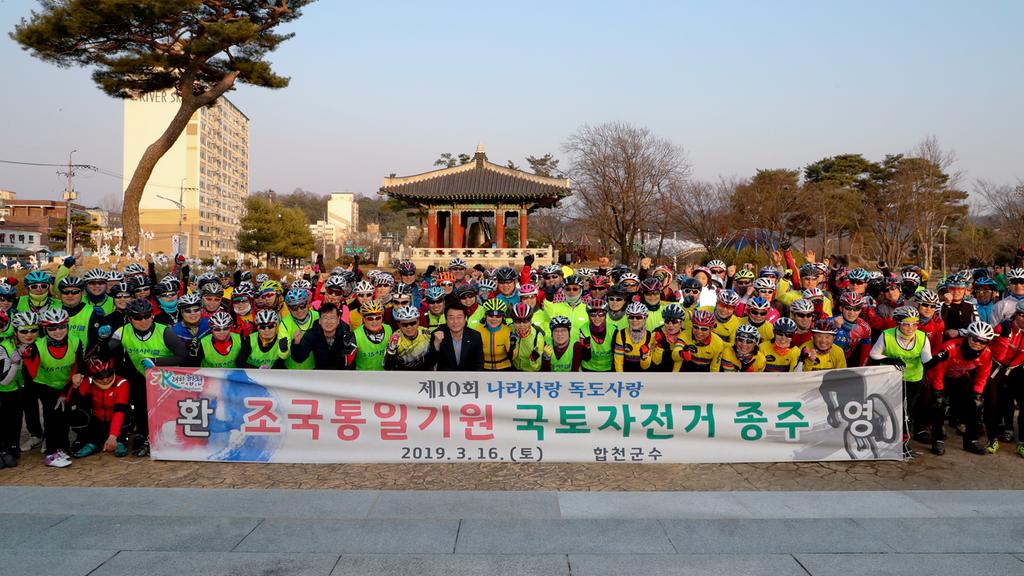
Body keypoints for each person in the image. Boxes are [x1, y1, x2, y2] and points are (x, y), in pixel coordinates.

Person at [107, 298, 188, 457]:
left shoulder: (165, 331)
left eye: (147, 316)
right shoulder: (122, 331)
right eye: (137, 318)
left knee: (166, 412)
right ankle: (144, 436)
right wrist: (103, 340)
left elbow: (182, 355)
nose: (143, 321)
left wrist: (156, 362)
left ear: (152, 316)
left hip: (168, 379)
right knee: (141, 407)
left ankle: (167, 439)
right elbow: (106, 353)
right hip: (144, 377)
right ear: (130, 319)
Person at [22, 307, 85, 468]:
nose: (58, 331)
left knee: (64, 416)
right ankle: (51, 453)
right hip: (44, 385)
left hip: (66, 384)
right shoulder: (37, 347)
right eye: (52, 328)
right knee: (52, 415)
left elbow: (80, 365)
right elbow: (30, 376)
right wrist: (51, 395)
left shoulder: (75, 341)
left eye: (62, 327)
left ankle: (62, 449)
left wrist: (75, 380)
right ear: (45, 329)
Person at [869, 305, 932, 454]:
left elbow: (927, 361)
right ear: (898, 323)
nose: (910, 328)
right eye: (906, 324)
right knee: (888, 409)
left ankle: (902, 443)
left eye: (914, 324)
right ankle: (882, 438)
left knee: (906, 411)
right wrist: (891, 360)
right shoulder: (887, 335)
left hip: (913, 379)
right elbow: (874, 354)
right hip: (892, 379)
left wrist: (940, 358)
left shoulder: (922, 337)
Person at [928, 321, 996, 456]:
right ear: (968, 336)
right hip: (938, 375)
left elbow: (983, 376)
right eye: (975, 339)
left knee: (976, 403)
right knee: (939, 403)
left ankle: (971, 440)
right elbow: (938, 370)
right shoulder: (951, 347)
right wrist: (938, 391)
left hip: (959, 376)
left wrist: (977, 394)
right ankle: (938, 439)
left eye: (983, 342)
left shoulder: (987, 353)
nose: (978, 344)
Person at [69, 356, 130, 458]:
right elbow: (71, 402)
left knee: (125, 412)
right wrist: (75, 387)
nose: (105, 379)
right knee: (77, 413)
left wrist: (113, 436)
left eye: (109, 374)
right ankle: (92, 443)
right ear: (93, 375)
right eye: (100, 376)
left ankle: (120, 441)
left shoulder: (122, 383)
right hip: (97, 422)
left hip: (117, 422)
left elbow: (119, 410)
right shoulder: (88, 381)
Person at [991, 300, 1024, 456]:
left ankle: (1021, 440)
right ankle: (998, 433)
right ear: (1016, 315)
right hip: (998, 366)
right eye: (1022, 315)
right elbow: (998, 354)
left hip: (1017, 367)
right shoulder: (1003, 327)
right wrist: (1004, 338)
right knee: (998, 401)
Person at [291, 303, 357, 370]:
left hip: (340, 374)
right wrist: (296, 343)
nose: (328, 321)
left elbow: (352, 363)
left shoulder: (346, 334)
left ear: (338, 320)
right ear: (319, 320)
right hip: (320, 374)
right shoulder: (312, 334)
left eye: (332, 318)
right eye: (325, 318)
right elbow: (299, 358)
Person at [429, 303, 483, 371]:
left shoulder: (475, 336)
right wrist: (436, 345)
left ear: (465, 319)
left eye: (459, 317)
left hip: (468, 379)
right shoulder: (437, 334)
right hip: (445, 379)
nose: (455, 321)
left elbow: (478, 364)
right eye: (451, 318)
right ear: (446, 320)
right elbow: (430, 363)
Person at [0, 311, 23, 467]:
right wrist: (15, 364)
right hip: (6, 389)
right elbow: (5, 380)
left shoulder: (8, 342)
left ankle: (10, 447)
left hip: (14, 390)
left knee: (13, 421)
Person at [613, 302, 662, 372]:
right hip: (626, 371)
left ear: (645, 318)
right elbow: (618, 361)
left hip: (643, 373)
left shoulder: (650, 336)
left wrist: (644, 356)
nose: (634, 320)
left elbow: (645, 367)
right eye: (631, 317)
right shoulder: (621, 334)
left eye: (638, 317)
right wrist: (621, 378)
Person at [384, 306, 434, 370]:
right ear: (398, 324)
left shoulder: (427, 334)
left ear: (418, 322)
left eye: (412, 323)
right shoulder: (395, 338)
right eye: (405, 324)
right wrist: (391, 350)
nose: (409, 327)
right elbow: (387, 366)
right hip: (405, 375)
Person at [833, 291, 872, 367]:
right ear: (841, 308)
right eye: (848, 308)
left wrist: (862, 369)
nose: (852, 312)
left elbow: (865, 353)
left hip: (849, 362)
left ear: (860, 310)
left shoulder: (865, 328)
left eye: (856, 309)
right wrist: (836, 329)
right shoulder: (830, 322)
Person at [353, 301, 391, 371]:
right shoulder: (355, 335)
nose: (375, 322)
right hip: (363, 377)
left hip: (383, 375)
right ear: (364, 319)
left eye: (378, 318)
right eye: (370, 318)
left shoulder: (389, 329)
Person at [509, 303, 547, 372]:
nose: (521, 325)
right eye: (517, 322)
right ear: (513, 321)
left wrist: (533, 360)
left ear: (531, 320)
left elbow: (537, 367)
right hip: (513, 368)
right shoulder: (510, 329)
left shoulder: (537, 337)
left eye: (525, 321)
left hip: (530, 372)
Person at [477, 299, 512, 371]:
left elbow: (513, 356)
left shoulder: (509, 330)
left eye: (498, 316)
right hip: (483, 368)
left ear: (503, 317)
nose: (494, 319)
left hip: (504, 368)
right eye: (490, 315)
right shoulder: (477, 330)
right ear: (485, 316)